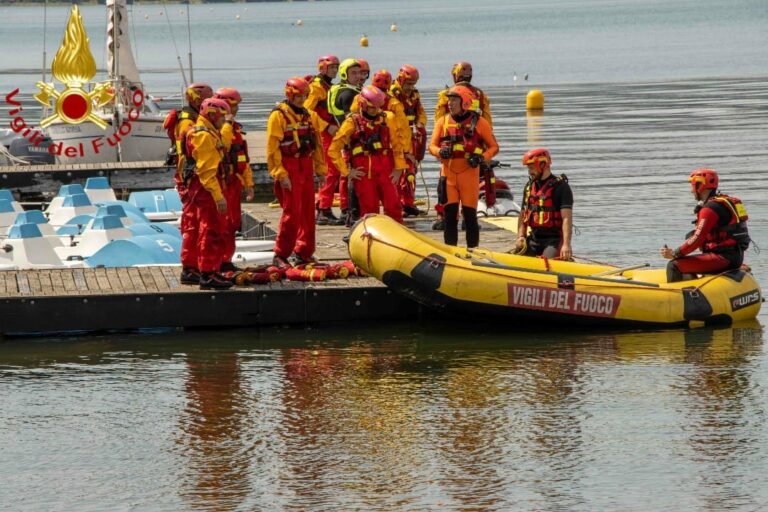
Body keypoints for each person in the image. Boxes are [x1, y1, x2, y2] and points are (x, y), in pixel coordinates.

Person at [267, 77, 328, 268]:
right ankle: (281, 254)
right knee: (292, 213)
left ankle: (304, 252)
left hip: (305, 165)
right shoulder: (278, 116)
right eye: (298, 96)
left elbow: (317, 145)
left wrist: (321, 170)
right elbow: (272, 148)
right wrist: (280, 174)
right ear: (289, 95)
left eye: (304, 96)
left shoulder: (308, 116)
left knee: (308, 213)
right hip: (289, 167)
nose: (302, 100)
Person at [428, 85, 498, 248]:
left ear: (465, 102)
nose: (450, 103)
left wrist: (481, 158)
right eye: (449, 100)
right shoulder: (442, 121)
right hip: (448, 176)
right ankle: (450, 252)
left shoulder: (480, 123)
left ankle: (473, 251)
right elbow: (431, 146)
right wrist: (439, 151)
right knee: (450, 216)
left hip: (469, 175)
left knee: (470, 216)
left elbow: (494, 147)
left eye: (454, 100)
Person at [328, 85, 406, 223]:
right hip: (364, 174)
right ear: (363, 105)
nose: (375, 110)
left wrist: (399, 167)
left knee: (394, 207)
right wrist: (347, 172)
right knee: (369, 211)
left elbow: (397, 144)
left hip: (387, 172)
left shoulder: (387, 119)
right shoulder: (351, 122)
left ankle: (398, 237)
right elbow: (334, 149)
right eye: (372, 107)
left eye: (377, 107)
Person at [179, 97, 233, 290]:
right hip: (207, 189)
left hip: (203, 187)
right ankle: (208, 273)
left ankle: (203, 269)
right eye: (222, 116)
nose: (224, 120)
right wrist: (219, 197)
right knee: (211, 229)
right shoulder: (204, 135)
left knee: (202, 228)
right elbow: (207, 171)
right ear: (212, 114)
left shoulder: (207, 131)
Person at [432, 62, 492, 230]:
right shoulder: (479, 95)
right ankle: (467, 218)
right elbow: (487, 120)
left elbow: (439, 118)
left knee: (445, 185)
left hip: (453, 146)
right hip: (470, 146)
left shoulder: (447, 94)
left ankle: (446, 218)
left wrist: (438, 149)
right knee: (469, 186)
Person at [661, 168, 750, 282]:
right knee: (687, 250)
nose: (691, 191)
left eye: (692, 186)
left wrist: (675, 253)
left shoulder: (709, 209)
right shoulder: (726, 202)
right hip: (736, 256)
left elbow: (697, 238)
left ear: (700, 186)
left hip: (723, 258)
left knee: (674, 265)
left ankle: (675, 298)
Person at [318, 58, 363, 225]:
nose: (358, 76)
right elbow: (310, 111)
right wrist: (325, 126)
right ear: (345, 75)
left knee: (339, 174)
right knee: (338, 174)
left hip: (336, 134)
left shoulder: (339, 89)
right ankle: (330, 210)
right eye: (354, 73)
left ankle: (340, 209)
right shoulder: (348, 94)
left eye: (360, 73)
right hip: (338, 136)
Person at [215, 87, 253, 272]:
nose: (236, 109)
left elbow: (242, 158)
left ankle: (226, 259)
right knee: (222, 223)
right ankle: (218, 260)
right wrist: (227, 125)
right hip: (222, 182)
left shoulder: (234, 128)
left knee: (233, 223)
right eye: (233, 106)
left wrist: (249, 184)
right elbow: (223, 146)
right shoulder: (219, 129)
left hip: (234, 181)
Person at [513, 148, 573, 260]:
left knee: (545, 263)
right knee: (516, 258)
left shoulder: (561, 188)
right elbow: (523, 213)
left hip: (554, 240)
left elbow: (566, 218)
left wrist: (566, 245)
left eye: (532, 167)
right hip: (534, 238)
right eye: (528, 168)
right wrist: (520, 236)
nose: (530, 172)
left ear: (543, 164)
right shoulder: (529, 187)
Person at [304, 55, 341, 225]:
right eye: (331, 67)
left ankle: (322, 206)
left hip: (330, 133)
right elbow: (307, 111)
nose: (334, 70)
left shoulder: (328, 86)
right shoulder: (317, 88)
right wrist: (326, 126)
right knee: (330, 170)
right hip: (323, 134)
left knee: (333, 170)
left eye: (336, 67)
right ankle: (324, 209)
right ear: (323, 69)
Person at [390, 64, 427, 217]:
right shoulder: (392, 94)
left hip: (412, 136)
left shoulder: (414, 95)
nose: (410, 87)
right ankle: (396, 202)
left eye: (413, 84)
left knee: (411, 170)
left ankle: (408, 202)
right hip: (398, 137)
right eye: (408, 84)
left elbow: (421, 113)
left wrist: (420, 124)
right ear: (401, 79)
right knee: (399, 169)